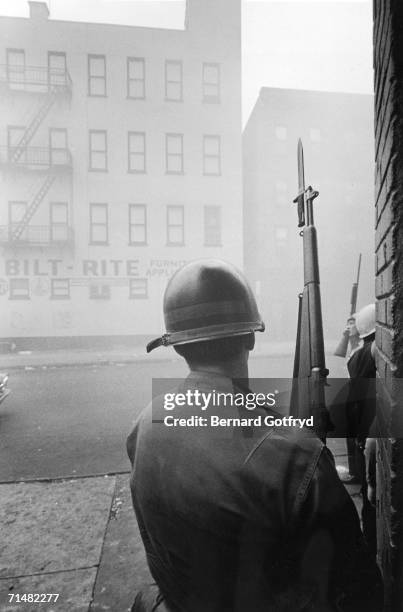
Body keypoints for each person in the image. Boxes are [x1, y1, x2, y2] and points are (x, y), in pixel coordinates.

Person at [127, 260, 383, 611]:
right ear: (250, 335)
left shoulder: (144, 423)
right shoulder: (296, 460)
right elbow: (358, 588)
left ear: (177, 345)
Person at [344, 303, 377, 554]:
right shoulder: (370, 354)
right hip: (371, 431)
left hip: (364, 430)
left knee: (369, 493)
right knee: (370, 489)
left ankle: (369, 539)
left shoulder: (357, 357)